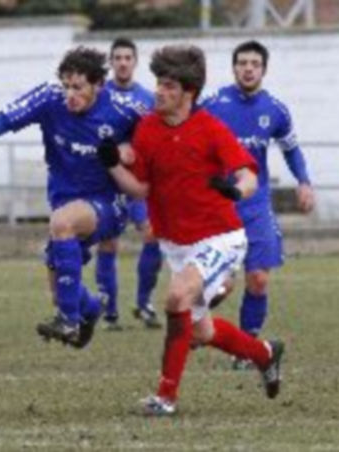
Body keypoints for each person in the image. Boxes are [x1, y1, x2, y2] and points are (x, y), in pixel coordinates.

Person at [99, 45, 284, 416]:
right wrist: (113, 167)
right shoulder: (148, 129)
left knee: (176, 298)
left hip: (220, 237)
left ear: (188, 92)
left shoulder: (211, 129)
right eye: (158, 84)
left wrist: (235, 190)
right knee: (201, 332)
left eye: (168, 86)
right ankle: (265, 354)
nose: (159, 92)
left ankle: (165, 398)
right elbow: (140, 189)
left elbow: (248, 175)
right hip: (175, 243)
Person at [0, 46, 140, 348]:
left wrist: (129, 152)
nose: (70, 93)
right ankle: (90, 309)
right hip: (64, 198)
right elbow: (4, 120)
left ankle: (69, 321)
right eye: (66, 86)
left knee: (61, 223)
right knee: (61, 291)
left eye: (79, 87)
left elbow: (153, 144)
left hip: (110, 203)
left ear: (98, 84)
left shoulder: (124, 111)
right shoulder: (50, 98)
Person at [202, 40, 314, 369]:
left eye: (254, 63)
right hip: (221, 204)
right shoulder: (213, 104)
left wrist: (303, 180)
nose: (248, 68)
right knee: (222, 284)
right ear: (234, 68)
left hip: (257, 203)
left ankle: (245, 349)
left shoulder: (275, 109)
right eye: (242, 63)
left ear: (263, 69)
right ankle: (196, 317)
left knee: (260, 280)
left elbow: (291, 149)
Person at [97, 37, 162, 330]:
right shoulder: (98, 95)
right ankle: (109, 311)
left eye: (128, 57)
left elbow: (154, 138)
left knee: (152, 234)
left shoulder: (148, 99)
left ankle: (143, 302)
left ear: (135, 63)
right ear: (111, 63)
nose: (122, 62)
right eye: (118, 57)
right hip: (108, 180)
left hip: (137, 181)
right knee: (109, 242)